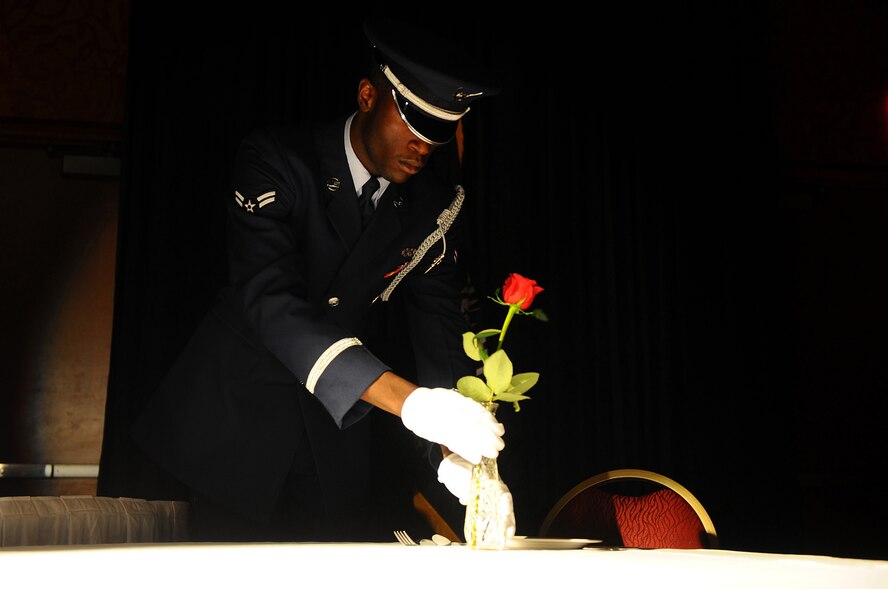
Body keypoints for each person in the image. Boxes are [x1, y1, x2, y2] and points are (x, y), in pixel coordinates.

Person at [130, 16, 515, 542]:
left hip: (332, 440)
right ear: (366, 96)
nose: (424, 148)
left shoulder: (433, 206)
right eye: (412, 124)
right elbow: (272, 303)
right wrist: (413, 404)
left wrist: (453, 451)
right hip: (233, 425)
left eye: (438, 134)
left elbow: (438, 337)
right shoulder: (276, 161)